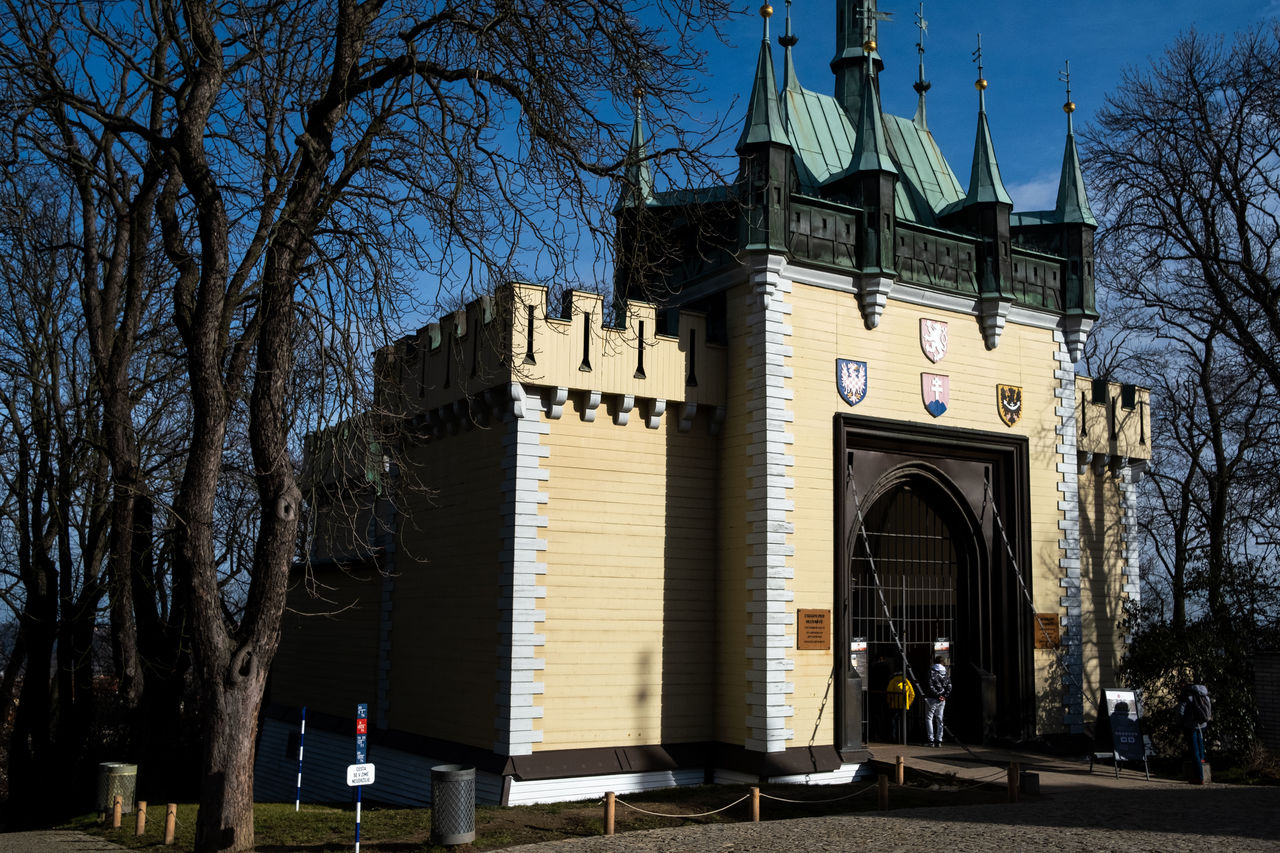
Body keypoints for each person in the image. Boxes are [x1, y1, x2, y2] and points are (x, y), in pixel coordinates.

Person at [1178, 683, 1212, 784]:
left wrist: (1180, 723)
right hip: (1203, 724)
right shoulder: (1204, 694)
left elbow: (1180, 711)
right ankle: (1202, 759)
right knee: (1200, 743)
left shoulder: (1186, 696)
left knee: (1194, 751)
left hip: (1190, 726)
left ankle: (1199, 777)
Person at [924, 656, 952, 747]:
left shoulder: (931, 671)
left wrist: (937, 695)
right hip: (942, 700)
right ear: (943, 662)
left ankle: (931, 740)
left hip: (932, 698)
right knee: (940, 719)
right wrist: (944, 696)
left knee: (929, 718)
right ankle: (939, 740)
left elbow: (930, 685)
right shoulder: (945, 672)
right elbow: (949, 686)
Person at [886, 671, 914, 744]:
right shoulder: (907, 681)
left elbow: (889, 693)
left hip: (894, 705)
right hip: (904, 706)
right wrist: (908, 703)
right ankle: (904, 737)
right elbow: (912, 694)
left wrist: (889, 702)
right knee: (904, 722)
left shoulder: (893, 681)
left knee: (893, 722)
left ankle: (894, 738)